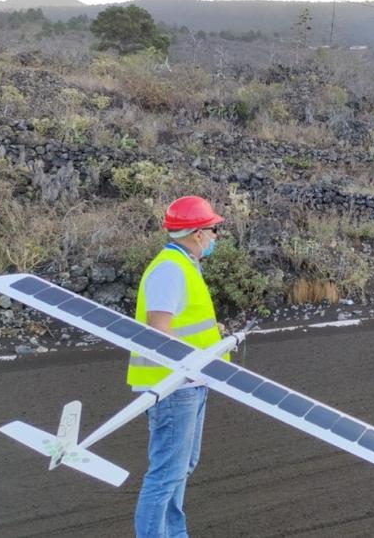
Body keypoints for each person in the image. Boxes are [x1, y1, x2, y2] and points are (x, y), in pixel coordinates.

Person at [129, 195, 227, 538]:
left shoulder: (185, 265)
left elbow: (184, 325)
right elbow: (159, 330)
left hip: (191, 383)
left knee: (181, 467)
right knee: (165, 474)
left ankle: (174, 533)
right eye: (213, 229)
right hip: (173, 387)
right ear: (197, 233)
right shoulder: (170, 269)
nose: (216, 236)